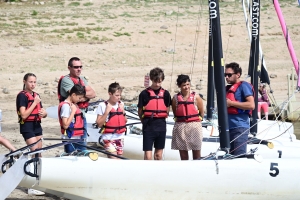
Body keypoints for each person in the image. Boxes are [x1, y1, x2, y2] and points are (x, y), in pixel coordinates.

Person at [16, 73, 47, 196]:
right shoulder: (22, 96)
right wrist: (34, 103)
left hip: (36, 125)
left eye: (34, 82)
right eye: (30, 82)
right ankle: (31, 186)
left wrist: (43, 113)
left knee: (39, 153)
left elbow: (43, 113)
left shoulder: (36, 95)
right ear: (25, 82)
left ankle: (38, 181)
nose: (33, 84)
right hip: (27, 126)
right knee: (33, 151)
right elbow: (23, 115)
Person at [58, 57, 96, 149]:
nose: (79, 69)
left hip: (82, 116)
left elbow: (93, 94)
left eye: (80, 67)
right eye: (76, 67)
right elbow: (75, 94)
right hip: (71, 117)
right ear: (69, 68)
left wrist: (84, 96)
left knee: (83, 146)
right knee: (72, 150)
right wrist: (85, 95)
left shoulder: (82, 79)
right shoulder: (66, 80)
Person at [137, 67, 172, 160]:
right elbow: (140, 111)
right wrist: (144, 122)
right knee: (148, 156)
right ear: (152, 79)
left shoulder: (166, 94)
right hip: (148, 127)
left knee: (158, 155)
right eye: (155, 81)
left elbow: (167, 109)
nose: (157, 84)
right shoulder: (144, 94)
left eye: (159, 82)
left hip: (161, 127)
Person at [171, 75, 204, 160]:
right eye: (184, 85)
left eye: (188, 84)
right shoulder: (175, 98)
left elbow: (201, 111)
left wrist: (199, 120)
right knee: (183, 156)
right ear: (179, 86)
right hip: (181, 126)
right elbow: (175, 111)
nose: (186, 87)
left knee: (196, 154)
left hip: (194, 125)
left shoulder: (196, 97)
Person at [225, 62, 255, 156]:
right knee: (229, 156)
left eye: (229, 75)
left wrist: (231, 103)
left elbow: (251, 105)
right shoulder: (227, 88)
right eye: (225, 75)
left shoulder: (243, 86)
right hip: (228, 128)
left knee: (239, 156)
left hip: (240, 127)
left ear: (238, 75)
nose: (226, 77)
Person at [96, 82, 127, 159]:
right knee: (114, 160)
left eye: (120, 95)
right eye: (117, 95)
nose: (119, 97)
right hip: (108, 138)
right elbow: (99, 124)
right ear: (110, 94)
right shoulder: (102, 105)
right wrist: (107, 112)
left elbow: (125, 121)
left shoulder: (121, 104)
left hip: (120, 137)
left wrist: (123, 112)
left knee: (119, 161)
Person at [58, 84, 86, 153]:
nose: (79, 100)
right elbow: (65, 125)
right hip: (69, 138)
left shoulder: (72, 105)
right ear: (73, 95)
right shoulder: (66, 106)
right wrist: (73, 111)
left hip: (76, 137)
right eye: (79, 98)